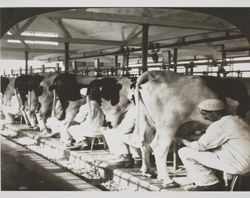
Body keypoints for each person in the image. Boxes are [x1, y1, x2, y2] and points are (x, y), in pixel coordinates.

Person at [176, 99, 250, 191]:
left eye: (204, 114)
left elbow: (199, 146)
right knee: (213, 149)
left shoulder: (220, 125)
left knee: (184, 152)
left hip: (240, 165)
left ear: (215, 113)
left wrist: (182, 140)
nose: (203, 117)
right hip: (244, 161)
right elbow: (215, 138)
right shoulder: (237, 120)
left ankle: (209, 184)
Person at [102, 87, 141, 167]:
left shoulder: (133, 110)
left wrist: (116, 128)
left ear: (132, 100)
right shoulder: (145, 108)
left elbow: (125, 128)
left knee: (114, 133)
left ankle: (124, 157)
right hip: (151, 137)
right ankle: (137, 157)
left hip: (139, 138)